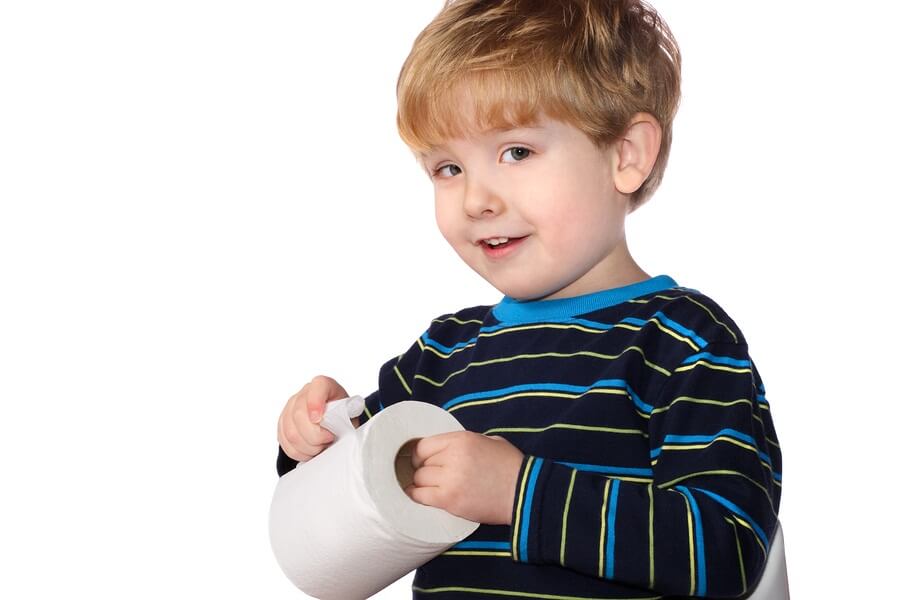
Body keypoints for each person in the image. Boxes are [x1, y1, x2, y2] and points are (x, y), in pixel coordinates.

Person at [276, 0, 782, 597]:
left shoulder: (682, 341)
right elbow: (355, 495)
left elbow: (726, 549)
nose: (475, 200)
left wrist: (519, 493)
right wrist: (315, 440)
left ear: (626, 155)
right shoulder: (442, 354)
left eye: (515, 152)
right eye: (446, 167)